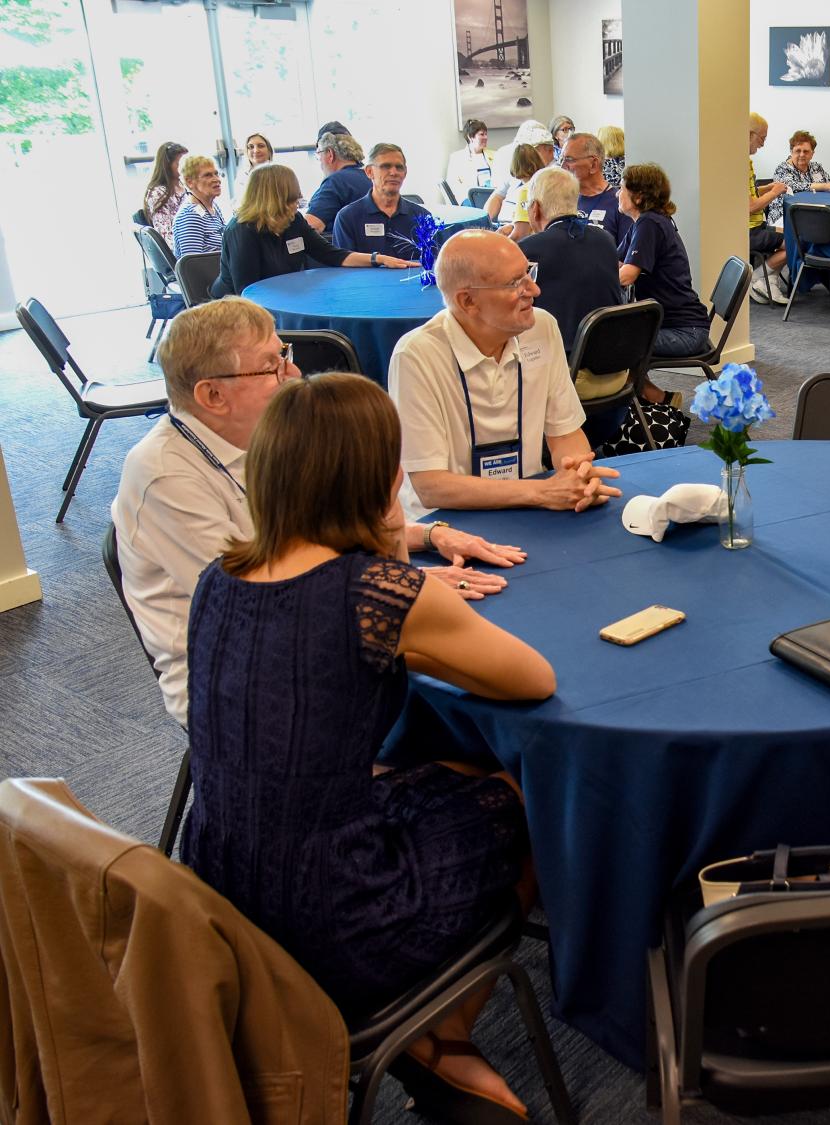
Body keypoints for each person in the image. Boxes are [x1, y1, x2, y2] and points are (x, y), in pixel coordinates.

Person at [180, 371, 553, 1121]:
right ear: (380, 479)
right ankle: (440, 1031)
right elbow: (533, 680)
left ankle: (432, 1036)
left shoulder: (219, 575)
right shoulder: (379, 592)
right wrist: (406, 568)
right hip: (336, 909)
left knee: (441, 769)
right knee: (525, 795)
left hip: (219, 886)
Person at [111, 298, 528, 727]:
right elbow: (268, 602)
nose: (292, 373)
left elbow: (325, 528)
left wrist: (431, 534)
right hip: (237, 689)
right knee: (486, 704)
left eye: (284, 355)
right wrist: (400, 589)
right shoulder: (163, 477)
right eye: (271, 365)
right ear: (213, 395)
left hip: (308, 633)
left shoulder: (263, 438)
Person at [389, 229, 623, 517]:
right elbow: (431, 486)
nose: (534, 290)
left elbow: (565, 433)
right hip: (445, 520)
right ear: (468, 302)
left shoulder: (542, 328)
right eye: (515, 283)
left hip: (527, 505)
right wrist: (543, 492)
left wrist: (579, 475)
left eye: (529, 273)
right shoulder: (416, 355)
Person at [211, 165, 416, 297]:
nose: (297, 205)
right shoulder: (242, 230)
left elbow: (331, 254)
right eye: (291, 199)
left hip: (284, 298)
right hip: (238, 311)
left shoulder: (293, 220)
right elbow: (246, 291)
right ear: (272, 199)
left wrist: (378, 259)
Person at [517, 166, 623, 357]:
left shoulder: (528, 250)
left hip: (566, 366)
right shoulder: (606, 239)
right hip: (617, 360)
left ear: (535, 208)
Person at [619, 161, 713, 361]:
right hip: (680, 325)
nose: (616, 194)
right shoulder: (644, 222)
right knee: (616, 336)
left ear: (638, 196)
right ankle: (651, 393)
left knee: (612, 340)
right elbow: (615, 262)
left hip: (686, 332)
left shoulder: (649, 223)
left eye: (621, 188)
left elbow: (626, 276)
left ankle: (652, 394)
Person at [332, 143, 431, 260]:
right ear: (369, 172)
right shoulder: (348, 218)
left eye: (399, 167)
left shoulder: (422, 217)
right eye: (386, 166)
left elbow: (431, 265)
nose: (394, 172)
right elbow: (343, 268)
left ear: (405, 173)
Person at [748, 112, 791, 305]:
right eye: (761, 138)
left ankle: (767, 279)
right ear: (749, 134)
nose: (763, 144)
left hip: (758, 226)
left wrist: (764, 189)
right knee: (796, 243)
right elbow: (750, 206)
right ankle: (759, 278)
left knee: (793, 233)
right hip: (749, 231)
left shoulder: (745, 161)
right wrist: (774, 193)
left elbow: (745, 195)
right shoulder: (738, 163)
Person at [561, 132, 633, 246]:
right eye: (562, 159)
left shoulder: (620, 202)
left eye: (569, 159)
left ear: (593, 164)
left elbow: (625, 256)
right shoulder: (561, 200)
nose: (563, 166)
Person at [768, 130, 830, 225]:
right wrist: (826, 186)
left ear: (812, 154)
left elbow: (829, 182)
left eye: (806, 151)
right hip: (784, 219)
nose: (802, 154)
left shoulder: (816, 167)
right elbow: (793, 186)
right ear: (791, 152)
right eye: (798, 151)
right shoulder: (782, 169)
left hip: (813, 215)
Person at [305, 130, 368, 233]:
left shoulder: (336, 182)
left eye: (319, 154)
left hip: (343, 247)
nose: (319, 161)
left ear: (330, 154)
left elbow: (312, 225)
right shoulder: (370, 177)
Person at [170, 154, 227, 256]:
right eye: (208, 175)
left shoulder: (213, 207)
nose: (217, 179)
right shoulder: (189, 215)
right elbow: (193, 265)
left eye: (216, 174)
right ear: (190, 182)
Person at [488, 142, 546, 229]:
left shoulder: (543, 183)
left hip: (518, 230)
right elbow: (497, 198)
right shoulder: (511, 178)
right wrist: (486, 221)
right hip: (501, 225)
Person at [142, 141, 187, 249]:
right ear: (167, 166)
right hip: (185, 255)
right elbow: (166, 237)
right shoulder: (158, 194)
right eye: (181, 164)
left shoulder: (185, 187)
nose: (186, 168)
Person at [446, 118, 498, 196]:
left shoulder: (495, 155)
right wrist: (465, 201)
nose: (486, 137)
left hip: (493, 197)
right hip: (469, 199)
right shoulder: (457, 158)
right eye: (482, 134)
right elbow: (452, 185)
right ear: (470, 137)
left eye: (486, 134)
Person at [232, 133, 275, 199]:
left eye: (261, 146)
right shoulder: (242, 177)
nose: (256, 151)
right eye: (251, 147)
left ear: (269, 150)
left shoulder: (279, 174)